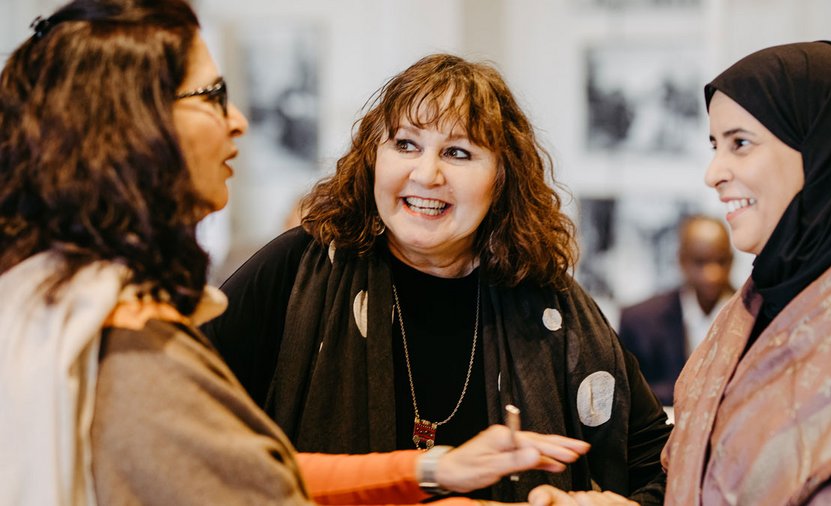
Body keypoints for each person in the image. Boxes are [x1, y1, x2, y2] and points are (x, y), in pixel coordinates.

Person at [0, 1, 591, 505]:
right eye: (212, 96)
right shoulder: (118, 336)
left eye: (459, 153)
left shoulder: (79, 302)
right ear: (132, 125)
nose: (239, 121)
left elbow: (257, 470)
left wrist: (429, 469)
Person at [203, 53, 672, 504]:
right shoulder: (297, 269)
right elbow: (193, 427)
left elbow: (662, 463)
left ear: (503, 177)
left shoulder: (551, 304)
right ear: (372, 158)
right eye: (405, 144)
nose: (426, 174)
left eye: (458, 152)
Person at [659, 41, 831, 504]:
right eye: (714, 145)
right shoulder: (757, 298)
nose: (713, 172)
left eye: (740, 143)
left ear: (826, 146)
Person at [617, 215, 734, 405]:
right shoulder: (638, 320)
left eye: (721, 261)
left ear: (731, 260)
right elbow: (628, 391)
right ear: (682, 260)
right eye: (700, 262)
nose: (712, 275)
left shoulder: (755, 315)